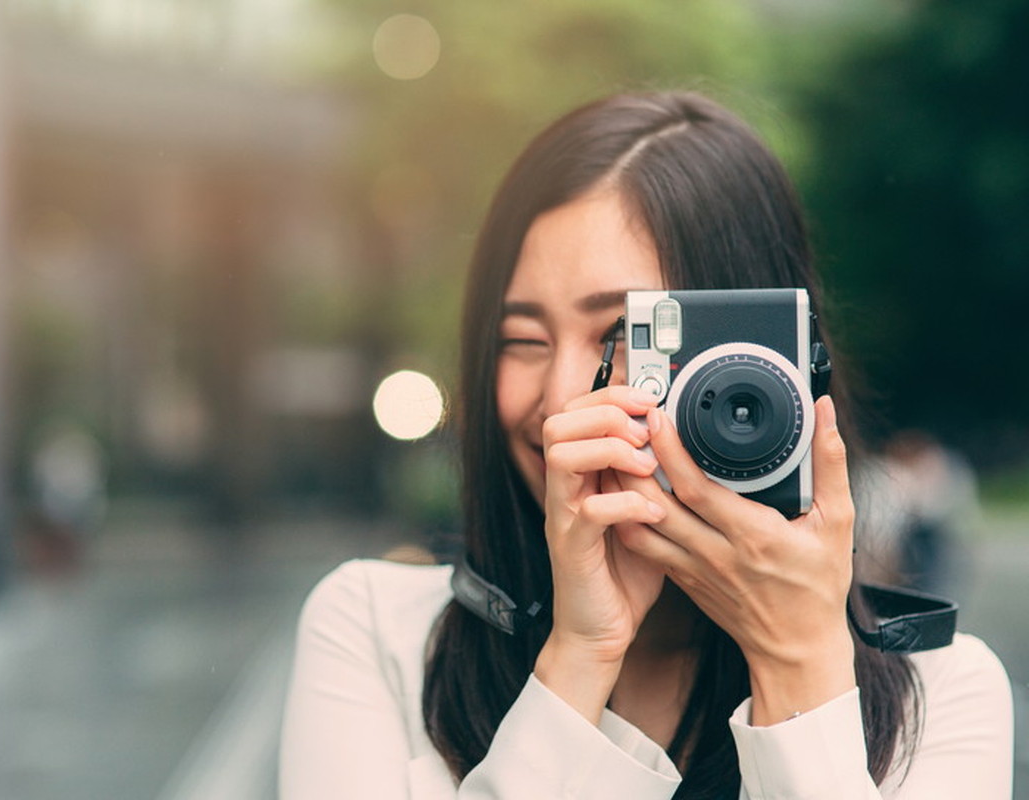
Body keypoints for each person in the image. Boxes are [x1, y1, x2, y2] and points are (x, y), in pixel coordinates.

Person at [279, 92, 1013, 798]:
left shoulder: (942, 698)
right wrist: (578, 659)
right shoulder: (377, 633)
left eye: (626, 336)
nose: (564, 395)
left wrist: (797, 664)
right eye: (521, 340)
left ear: (766, 354)